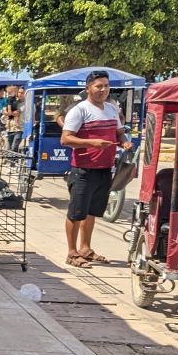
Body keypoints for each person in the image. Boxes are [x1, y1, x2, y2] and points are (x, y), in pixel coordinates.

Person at [60, 70, 131, 268]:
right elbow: (65, 139)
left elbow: (118, 131)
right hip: (83, 170)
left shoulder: (111, 109)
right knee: (76, 213)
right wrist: (93, 143)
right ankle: (72, 253)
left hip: (105, 169)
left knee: (92, 212)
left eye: (106, 86)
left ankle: (85, 248)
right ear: (88, 88)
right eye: (98, 86)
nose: (103, 89)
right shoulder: (79, 110)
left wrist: (124, 142)